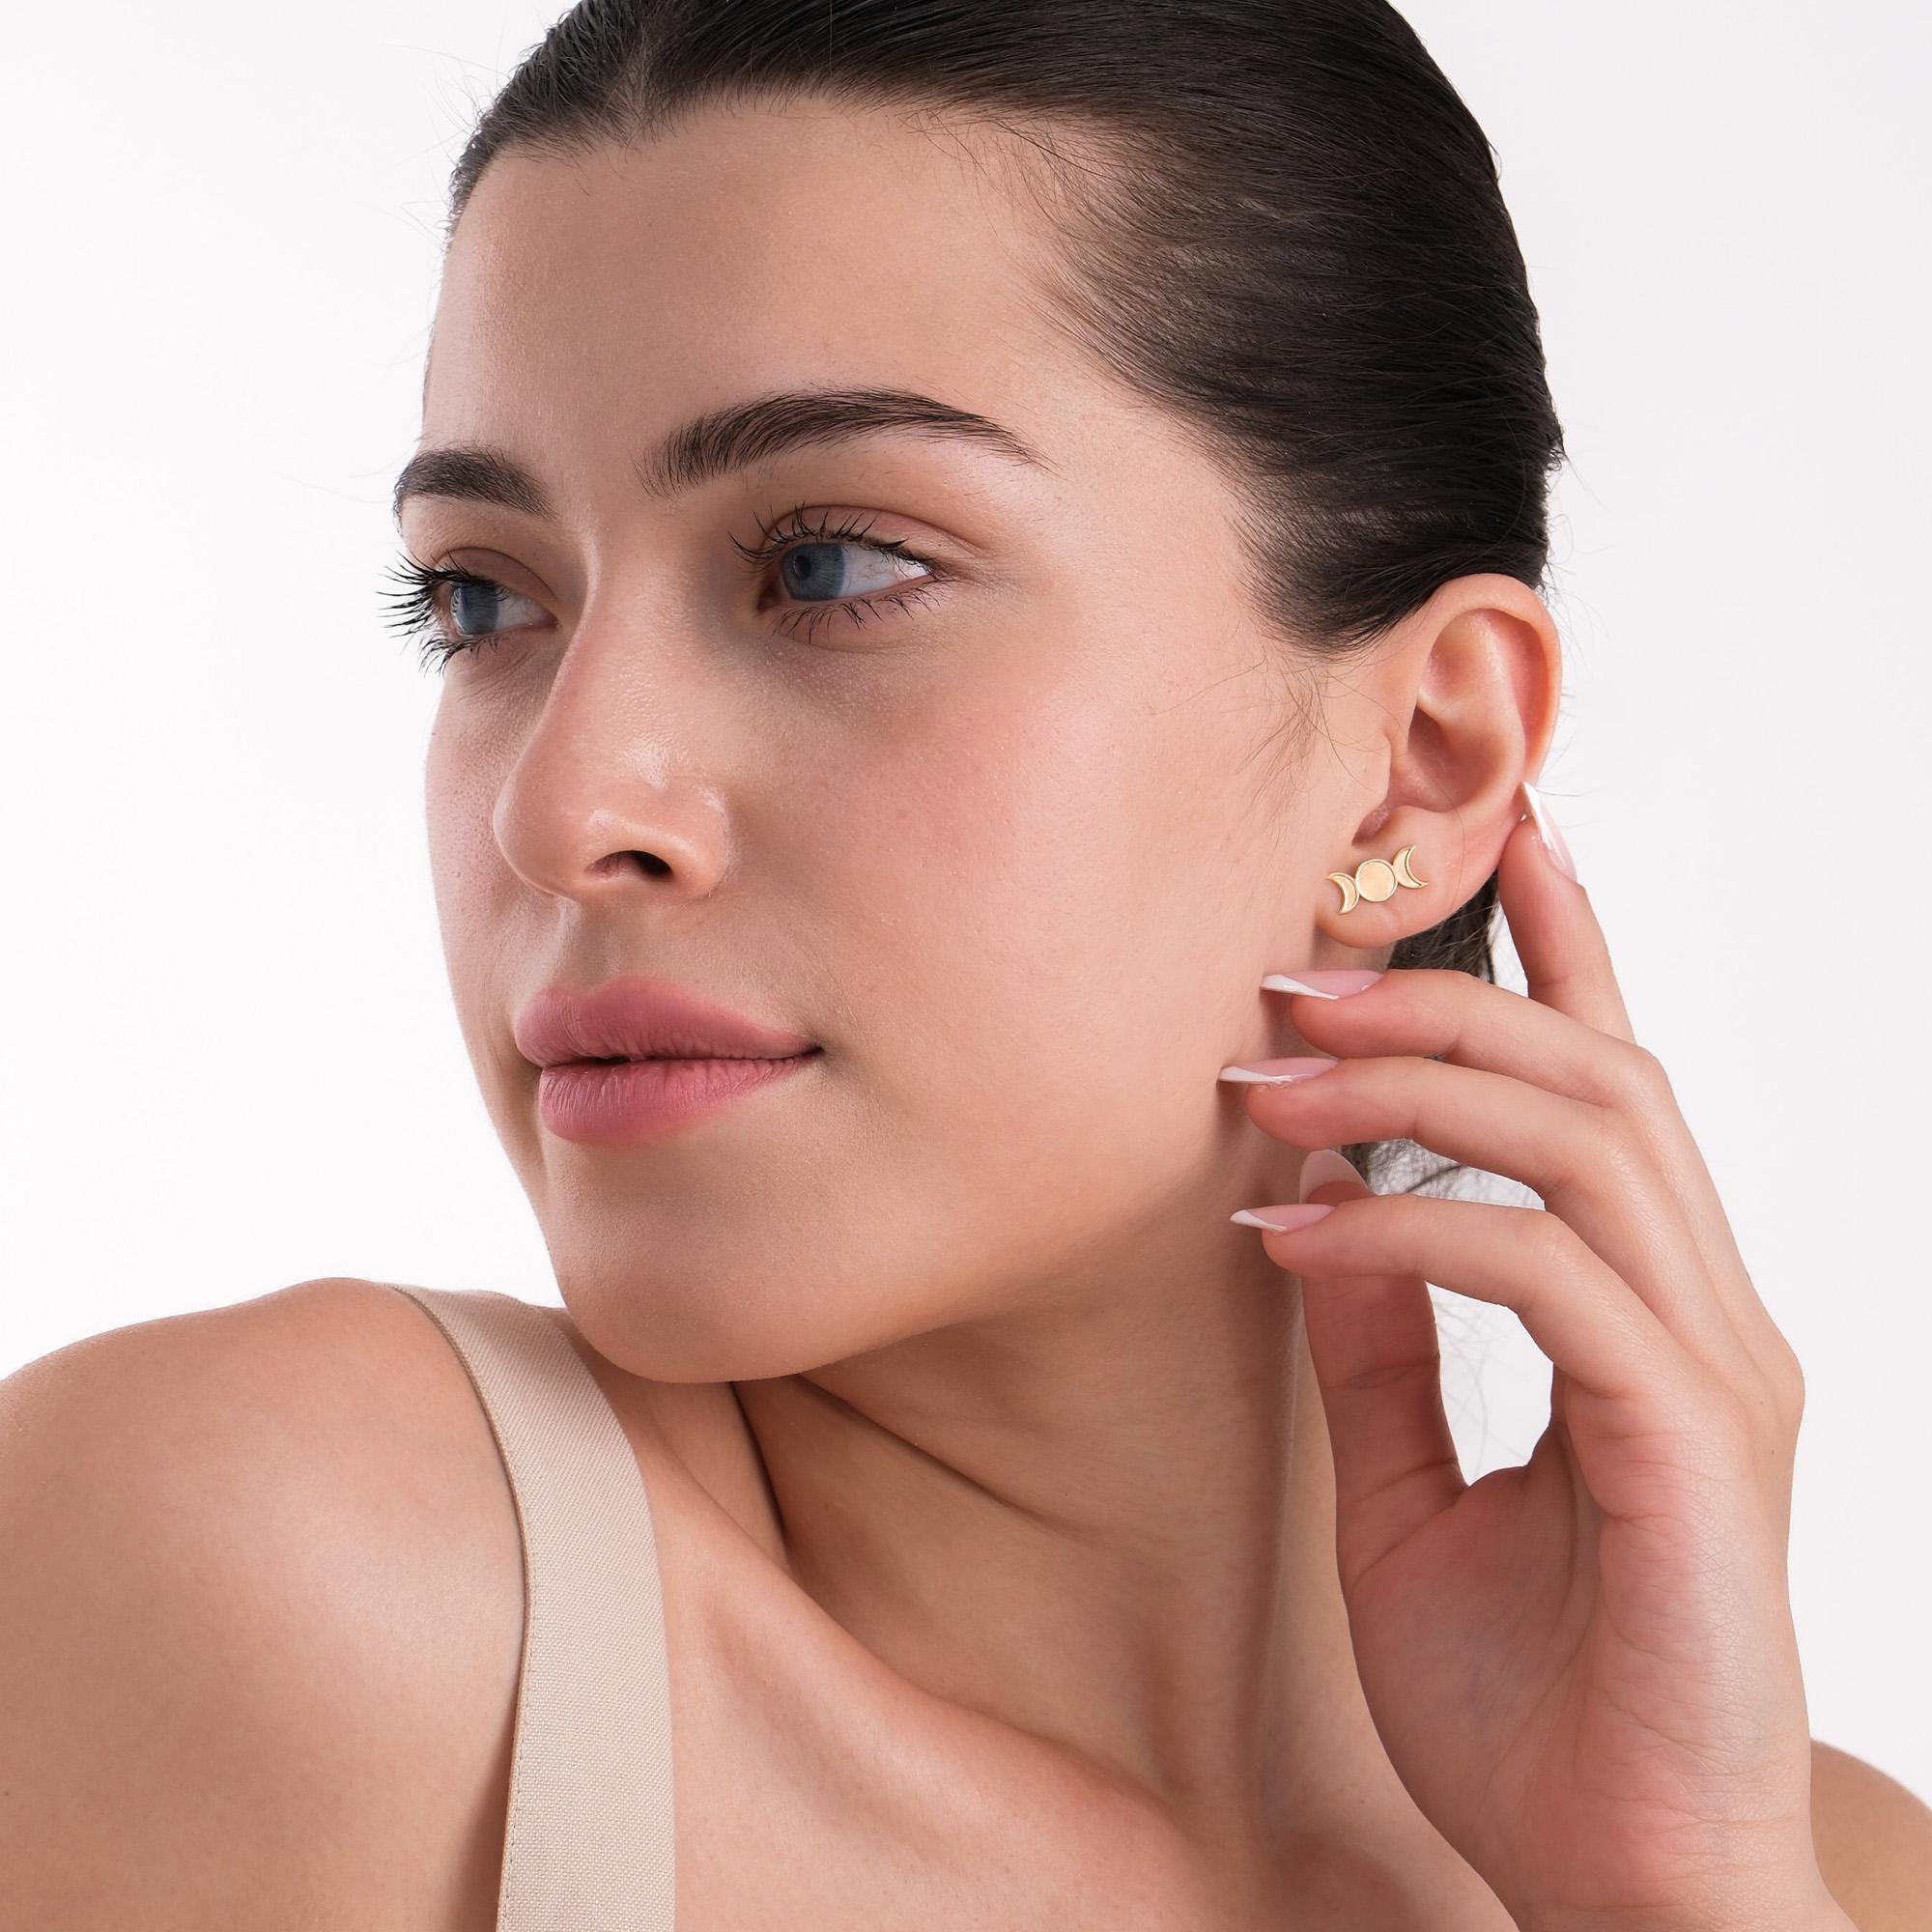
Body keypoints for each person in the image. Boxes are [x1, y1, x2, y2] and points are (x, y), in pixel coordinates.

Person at [4, 2, 1929, 1925]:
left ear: (1421, 754)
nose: (567, 802)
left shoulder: (1812, 1868)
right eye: (484, 597)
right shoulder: (271, 1586)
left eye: (829, 565)